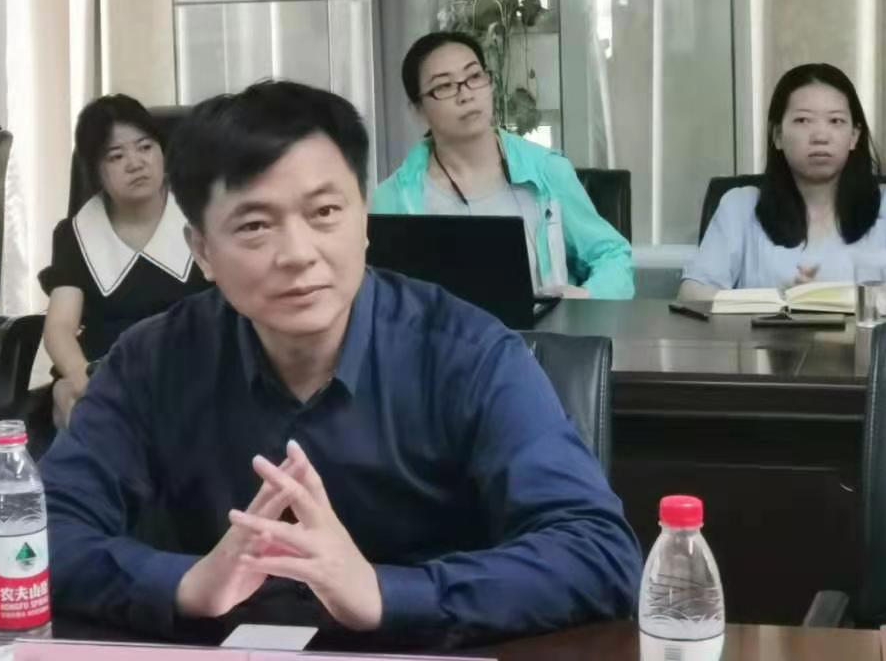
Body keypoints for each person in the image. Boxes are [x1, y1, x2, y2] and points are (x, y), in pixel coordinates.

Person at [41, 80, 641, 647]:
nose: (298, 254)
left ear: (364, 219)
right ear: (202, 250)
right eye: (254, 225)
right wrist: (185, 584)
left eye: (325, 212)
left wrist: (385, 592)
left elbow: (598, 552)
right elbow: (36, 532)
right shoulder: (152, 361)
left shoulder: (468, 354)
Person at [371, 31, 634, 299]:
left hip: (540, 326)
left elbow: (613, 256)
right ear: (418, 109)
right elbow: (379, 295)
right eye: (444, 86)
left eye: (474, 76)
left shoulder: (546, 171)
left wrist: (583, 297)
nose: (465, 94)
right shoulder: (392, 200)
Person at [37, 94, 206, 433]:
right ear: (95, 171)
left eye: (145, 147)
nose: (136, 163)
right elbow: (60, 327)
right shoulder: (77, 234)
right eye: (116, 156)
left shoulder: (202, 215)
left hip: (194, 367)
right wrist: (83, 381)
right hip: (107, 371)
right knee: (74, 403)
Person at [680, 63, 886, 297]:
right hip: (766, 323)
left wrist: (835, 299)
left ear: (854, 137)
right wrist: (780, 299)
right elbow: (692, 295)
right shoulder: (740, 206)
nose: (820, 136)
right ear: (777, 135)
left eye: (835, 121)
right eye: (803, 120)